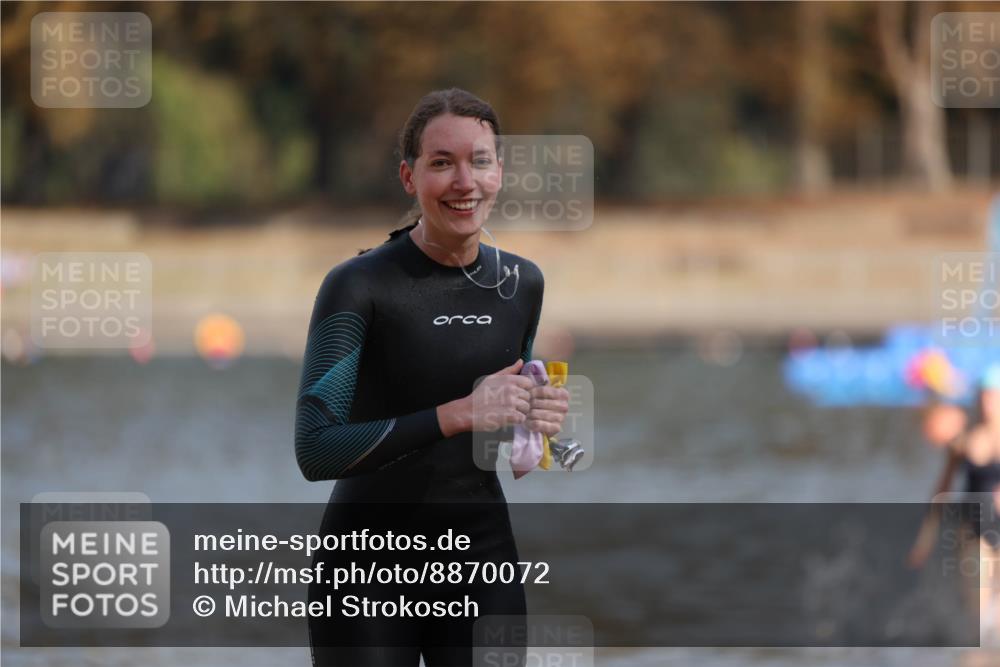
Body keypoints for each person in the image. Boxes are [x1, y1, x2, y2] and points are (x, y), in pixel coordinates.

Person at [294, 88, 571, 666]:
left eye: (480, 161)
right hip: (365, 570)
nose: (463, 181)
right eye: (442, 163)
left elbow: (499, 430)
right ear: (408, 177)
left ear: (500, 172)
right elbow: (315, 450)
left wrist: (535, 421)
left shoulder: (522, 285)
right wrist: (459, 413)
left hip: (480, 560)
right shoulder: (360, 286)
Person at [908, 366, 1000, 640]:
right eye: (983, 397)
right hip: (974, 530)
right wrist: (925, 539)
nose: (987, 405)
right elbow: (941, 492)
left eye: (993, 397)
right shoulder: (962, 441)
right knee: (979, 615)